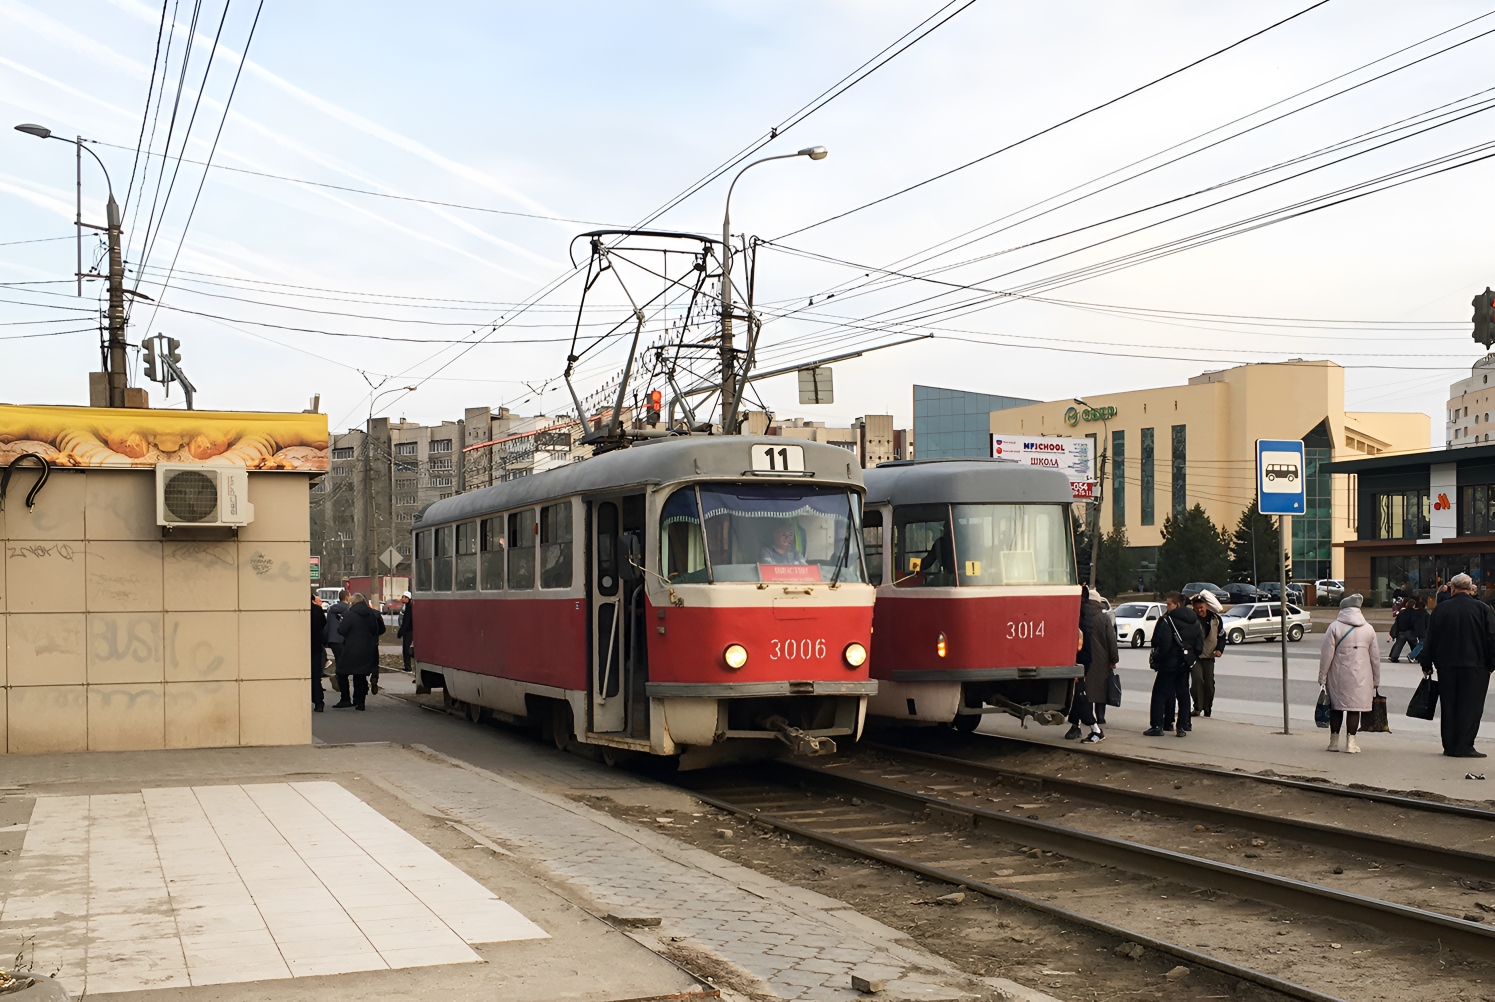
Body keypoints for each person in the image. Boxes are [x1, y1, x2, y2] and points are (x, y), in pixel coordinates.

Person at [1418, 572, 1495, 758]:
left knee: (1449, 705)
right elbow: (1491, 638)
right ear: (1470, 588)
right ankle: (1465, 745)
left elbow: (1430, 639)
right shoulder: (1483, 609)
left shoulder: (1440, 609)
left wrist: (1426, 662)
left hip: (1446, 665)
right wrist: (1491, 664)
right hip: (1475, 666)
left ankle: (1449, 745)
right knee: (1471, 706)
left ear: (1452, 588)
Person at [1318, 594, 1381, 753]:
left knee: (1336, 708)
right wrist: (1376, 679)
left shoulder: (1334, 627)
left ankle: (1333, 743)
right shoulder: (1369, 628)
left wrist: (1322, 677)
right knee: (1354, 708)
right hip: (1362, 676)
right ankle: (1351, 744)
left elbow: (1326, 655)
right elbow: (1375, 657)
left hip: (1338, 674)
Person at [1145, 592, 1202, 738]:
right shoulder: (1194, 621)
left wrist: (1156, 658)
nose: (1166, 606)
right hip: (1185, 664)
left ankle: (1157, 726)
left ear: (1177, 604)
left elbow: (1163, 644)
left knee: (1159, 694)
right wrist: (1190, 658)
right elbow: (1199, 646)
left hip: (1168, 664)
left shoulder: (1167, 621)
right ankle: (1182, 726)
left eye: (1169, 604)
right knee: (1183, 694)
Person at [1066, 586, 1119, 743]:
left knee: (1080, 694)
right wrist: (1113, 659)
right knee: (1091, 693)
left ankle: (1089, 727)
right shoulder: (1102, 617)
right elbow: (1112, 641)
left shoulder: (1079, 612)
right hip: (1098, 661)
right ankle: (1094, 721)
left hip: (1080, 659)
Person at [334, 592, 385, 711]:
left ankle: (345, 699)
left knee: (341, 672)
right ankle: (360, 702)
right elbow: (376, 629)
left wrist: (341, 625)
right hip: (368, 648)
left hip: (351, 649)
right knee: (360, 675)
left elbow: (342, 631)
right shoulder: (371, 614)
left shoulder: (349, 614)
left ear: (353, 602)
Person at [1190, 591, 1225, 718]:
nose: (1199, 610)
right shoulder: (1191, 619)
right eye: (1196, 607)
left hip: (1210, 656)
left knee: (1209, 684)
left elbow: (1222, 636)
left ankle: (1207, 708)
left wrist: (1220, 649)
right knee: (1198, 680)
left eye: (1201, 607)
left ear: (1206, 606)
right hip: (1195, 656)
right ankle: (1197, 707)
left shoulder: (1215, 619)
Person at [325, 589, 351, 705]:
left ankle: (338, 678)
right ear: (347, 598)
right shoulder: (348, 610)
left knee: (340, 663)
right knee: (345, 667)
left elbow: (327, 625)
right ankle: (345, 695)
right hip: (343, 640)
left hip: (333, 640)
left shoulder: (331, 609)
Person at [1388, 597, 1429, 663]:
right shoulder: (1414, 613)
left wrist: (1394, 633)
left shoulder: (1401, 613)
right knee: (1415, 644)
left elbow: (1397, 623)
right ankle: (1416, 656)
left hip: (1401, 632)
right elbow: (1415, 622)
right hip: (1410, 632)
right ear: (1413, 605)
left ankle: (1394, 656)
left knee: (1399, 645)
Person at [311, 592, 328, 713]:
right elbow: (323, 625)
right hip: (316, 647)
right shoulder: (318, 610)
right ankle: (318, 703)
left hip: (299, 649)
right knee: (316, 676)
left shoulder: (294, 611)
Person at [397, 591, 415, 674]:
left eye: (404, 597)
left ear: (408, 598)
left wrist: (400, 632)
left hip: (409, 631)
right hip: (408, 631)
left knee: (406, 649)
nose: (402, 598)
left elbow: (406, 622)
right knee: (406, 649)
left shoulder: (409, 608)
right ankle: (407, 666)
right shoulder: (406, 607)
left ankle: (408, 667)